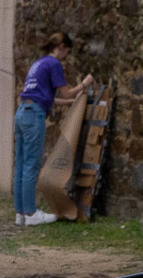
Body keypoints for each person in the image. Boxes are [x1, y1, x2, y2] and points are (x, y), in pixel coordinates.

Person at [14, 32, 94, 226]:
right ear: (62, 47)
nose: (66, 56)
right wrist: (85, 83)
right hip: (34, 116)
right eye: (67, 51)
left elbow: (49, 98)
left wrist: (69, 103)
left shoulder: (38, 64)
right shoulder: (53, 64)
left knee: (21, 166)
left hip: (22, 112)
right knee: (31, 166)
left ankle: (21, 214)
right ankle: (32, 214)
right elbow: (66, 90)